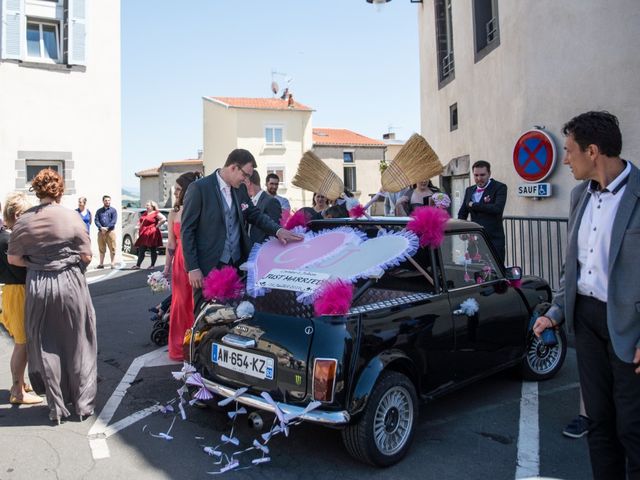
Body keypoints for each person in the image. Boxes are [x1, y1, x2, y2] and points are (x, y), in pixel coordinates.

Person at [533, 111, 640, 479]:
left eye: (569, 151)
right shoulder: (579, 196)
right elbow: (573, 269)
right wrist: (557, 311)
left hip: (630, 327)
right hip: (588, 322)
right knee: (599, 422)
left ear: (592, 151)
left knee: (632, 429)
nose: (564, 160)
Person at [8, 168, 97, 423]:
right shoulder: (72, 218)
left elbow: (14, 258)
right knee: (79, 342)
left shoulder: (24, 220)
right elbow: (87, 256)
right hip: (70, 284)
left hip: (38, 285)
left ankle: (56, 407)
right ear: (59, 190)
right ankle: (80, 405)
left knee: (45, 345)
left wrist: (37, 265)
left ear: (36, 190)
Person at [181, 148, 303, 313]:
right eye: (245, 175)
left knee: (233, 316)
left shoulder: (240, 190)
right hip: (207, 266)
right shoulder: (199, 188)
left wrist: (278, 231)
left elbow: (255, 215)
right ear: (233, 167)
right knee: (206, 317)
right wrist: (193, 267)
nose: (246, 180)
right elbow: (187, 230)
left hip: (236, 265)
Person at [1, 192, 42, 405]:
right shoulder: (9, 239)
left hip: (13, 291)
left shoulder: (6, 235)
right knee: (22, 344)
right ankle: (17, 391)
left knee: (23, 342)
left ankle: (20, 383)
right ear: (18, 215)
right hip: (18, 292)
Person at [163, 172, 200, 361]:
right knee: (179, 304)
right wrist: (166, 268)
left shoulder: (197, 209)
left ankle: (196, 346)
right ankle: (178, 347)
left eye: (178, 188)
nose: (176, 192)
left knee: (195, 304)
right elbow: (171, 243)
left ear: (187, 189)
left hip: (196, 261)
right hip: (179, 262)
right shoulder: (173, 212)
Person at [457, 161, 508, 264]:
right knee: (474, 272)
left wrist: (474, 205)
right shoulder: (469, 190)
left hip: (493, 240)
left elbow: (497, 209)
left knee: (495, 272)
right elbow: (462, 212)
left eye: (482, 175)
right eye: (476, 175)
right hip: (474, 241)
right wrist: (462, 230)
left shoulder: (500, 187)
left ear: (489, 173)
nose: (479, 178)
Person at [245, 170, 282, 244]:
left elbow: (273, 233)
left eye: (242, 182)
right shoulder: (250, 201)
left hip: (262, 251)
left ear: (248, 182)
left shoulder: (271, 201)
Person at [133, 201, 166, 269]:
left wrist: (157, 226)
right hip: (144, 233)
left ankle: (152, 265)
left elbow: (164, 219)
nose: (146, 206)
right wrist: (138, 227)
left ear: (152, 206)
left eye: (148, 205)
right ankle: (138, 265)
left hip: (151, 233)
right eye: (146, 205)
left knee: (152, 249)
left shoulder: (156, 213)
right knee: (142, 249)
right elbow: (141, 221)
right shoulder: (145, 213)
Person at [94, 194, 118, 269]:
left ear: (110, 201)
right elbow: (96, 220)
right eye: (106, 200)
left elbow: (114, 221)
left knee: (112, 248)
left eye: (108, 200)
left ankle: (113, 263)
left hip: (110, 232)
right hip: (101, 232)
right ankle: (101, 264)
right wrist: (101, 228)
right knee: (101, 248)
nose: (107, 202)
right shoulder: (99, 211)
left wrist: (107, 228)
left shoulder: (113, 210)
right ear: (103, 201)